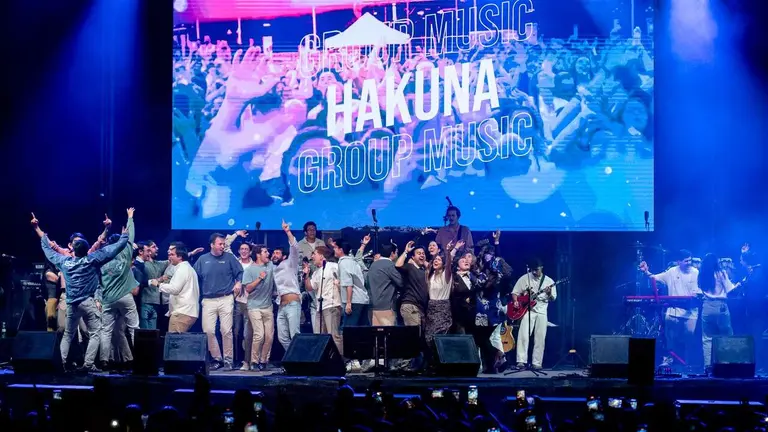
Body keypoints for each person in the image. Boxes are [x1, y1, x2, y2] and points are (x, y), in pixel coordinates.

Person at [33, 212, 130, 372]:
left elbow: (48, 250)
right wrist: (124, 236)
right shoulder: (92, 260)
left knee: (68, 334)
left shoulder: (65, 261)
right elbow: (113, 250)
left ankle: (62, 363)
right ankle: (88, 364)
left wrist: (38, 229)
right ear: (86, 250)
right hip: (87, 302)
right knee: (96, 332)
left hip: (71, 303)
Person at [640, 249, 702, 371]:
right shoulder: (671, 272)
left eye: (690, 260)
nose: (689, 263)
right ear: (678, 262)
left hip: (691, 312)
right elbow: (654, 278)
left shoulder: (696, 272)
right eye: (686, 261)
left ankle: (688, 364)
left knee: (689, 338)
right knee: (671, 338)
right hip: (673, 312)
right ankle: (669, 359)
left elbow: (699, 289)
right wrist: (646, 271)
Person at [194, 233, 244, 370]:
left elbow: (240, 272)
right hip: (208, 300)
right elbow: (193, 275)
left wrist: (238, 283)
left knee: (226, 330)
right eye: (220, 244)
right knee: (208, 330)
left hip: (226, 298)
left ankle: (228, 360)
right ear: (212, 245)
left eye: (223, 244)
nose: (222, 246)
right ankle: (217, 358)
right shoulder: (203, 260)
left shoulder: (229, 258)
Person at [98, 208, 140, 370]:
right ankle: (140, 358)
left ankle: (104, 361)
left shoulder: (102, 255)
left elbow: (97, 246)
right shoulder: (126, 252)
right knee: (134, 328)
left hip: (108, 299)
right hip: (125, 297)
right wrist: (130, 218)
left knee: (106, 330)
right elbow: (130, 237)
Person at [698, 253, 741, 372]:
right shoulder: (721, 273)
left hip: (707, 306)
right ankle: (727, 364)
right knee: (726, 336)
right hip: (721, 306)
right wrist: (738, 285)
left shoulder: (701, 275)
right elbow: (730, 289)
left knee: (707, 338)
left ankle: (708, 366)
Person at [512, 259, 556, 370]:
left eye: (536, 270)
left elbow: (553, 298)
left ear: (542, 268)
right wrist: (516, 301)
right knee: (523, 335)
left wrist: (549, 292)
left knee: (540, 338)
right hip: (527, 310)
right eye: (533, 270)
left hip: (542, 311)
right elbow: (515, 292)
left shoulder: (549, 281)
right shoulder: (525, 277)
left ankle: (537, 363)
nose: (535, 272)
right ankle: (521, 361)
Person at [304, 246, 343, 355]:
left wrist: (338, 284)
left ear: (321, 256)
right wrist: (306, 276)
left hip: (332, 305)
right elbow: (310, 287)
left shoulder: (333, 266)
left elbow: (342, 280)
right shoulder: (316, 272)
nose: (312, 256)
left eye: (314, 254)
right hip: (320, 306)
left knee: (333, 335)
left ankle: (340, 360)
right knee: (319, 335)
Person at [272, 220, 302, 352]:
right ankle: (294, 359)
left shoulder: (290, 263)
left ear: (284, 256)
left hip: (292, 304)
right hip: (281, 306)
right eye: (273, 253)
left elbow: (294, 247)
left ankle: (301, 362)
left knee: (295, 335)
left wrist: (287, 232)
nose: (274, 254)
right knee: (282, 337)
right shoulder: (273, 268)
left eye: (277, 253)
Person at [243, 245, 275, 371]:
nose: (268, 253)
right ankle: (254, 361)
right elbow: (248, 289)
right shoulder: (250, 270)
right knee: (259, 335)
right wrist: (260, 278)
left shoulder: (270, 266)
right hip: (254, 306)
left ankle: (264, 360)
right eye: (265, 252)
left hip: (268, 306)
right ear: (258, 255)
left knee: (269, 336)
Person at [159, 242, 200, 333]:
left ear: (180, 256)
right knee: (180, 343)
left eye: (172, 255)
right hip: (186, 312)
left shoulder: (182, 269)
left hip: (182, 313)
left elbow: (174, 289)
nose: (169, 257)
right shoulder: (186, 268)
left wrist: (158, 284)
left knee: (175, 345)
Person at [297, 221, 326, 333]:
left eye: (314, 229)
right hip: (306, 276)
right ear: (305, 232)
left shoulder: (321, 242)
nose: (312, 232)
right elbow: (298, 262)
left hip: (320, 275)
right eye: (309, 230)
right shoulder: (300, 244)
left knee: (316, 302)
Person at [367, 244, 402, 326]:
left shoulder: (373, 265)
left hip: (372, 305)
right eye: (396, 252)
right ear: (392, 253)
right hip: (386, 306)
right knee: (389, 334)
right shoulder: (389, 265)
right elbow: (401, 282)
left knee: (376, 335)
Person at [234, 242, 254, 370]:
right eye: (242, 249)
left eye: (246, 249)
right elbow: (226, 246)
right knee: (235, 332)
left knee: (248, 334)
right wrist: (237, 234)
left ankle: (247, 361)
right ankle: (236, 360)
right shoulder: (235, 262)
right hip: (237, 302)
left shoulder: (254, 265)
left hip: (250, 302)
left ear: (250, 251)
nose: (244, 251)